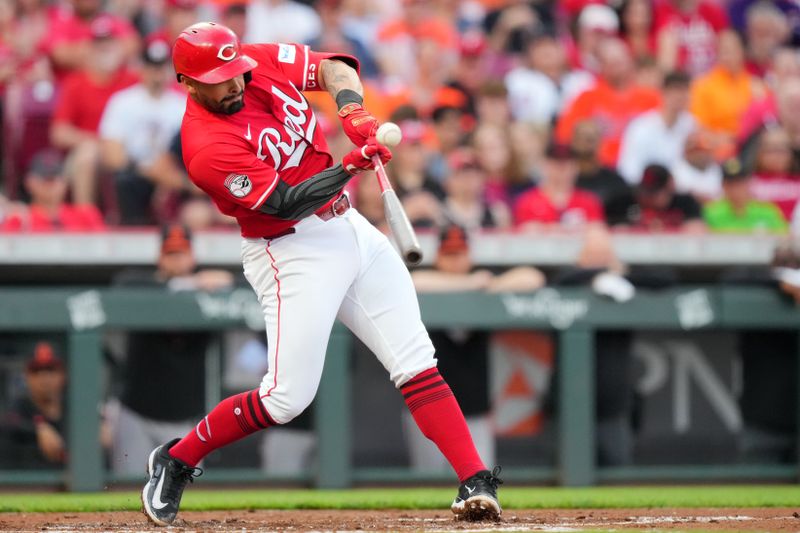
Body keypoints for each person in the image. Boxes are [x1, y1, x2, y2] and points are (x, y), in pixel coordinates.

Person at [140, 22, 502, 526]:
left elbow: (336, 67)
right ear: (189, 81)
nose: (235, 83)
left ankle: (475, 480)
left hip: (349, 226)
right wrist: (351, 165)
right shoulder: (206, 146)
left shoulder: (256, 61)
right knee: (286, 399)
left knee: (416, 360)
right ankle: (177, 459)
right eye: (220, 78)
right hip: (290, 249)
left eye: (235, 71)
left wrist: (353, 111)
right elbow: (285, 203)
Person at [407, 224, 544, 473]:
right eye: (449, 254)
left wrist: (486, 288)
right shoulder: (433, 281)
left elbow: (533, 278)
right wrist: (469, 284)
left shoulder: (484, 280)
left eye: (460, 253)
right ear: (438, 256)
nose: (455, 260)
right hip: (429, 407)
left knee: (478, 478)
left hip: (475, 408)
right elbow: (415, 281)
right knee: (426, 481)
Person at [110, 224, 233, 475]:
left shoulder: (206, 292)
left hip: (185, 418)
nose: (176, 260)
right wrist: (183, 284)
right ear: (159, 257)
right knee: (127, 489)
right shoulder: (143, 287)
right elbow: (120, 285)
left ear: (193, 257)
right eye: (170, 253)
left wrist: (225, 279)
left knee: (185, 494)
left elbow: (247, 285)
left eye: (181, 253)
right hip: (137, 414)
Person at [98, 37, 186, 225]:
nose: (157, 73)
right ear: (142, 68)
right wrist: (147, 170)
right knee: (125, 181)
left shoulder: (182, 105)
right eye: (152, 66)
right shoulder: (123, 102)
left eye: (161, 67)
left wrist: (165, 176)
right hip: (136, 172)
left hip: (171, 174)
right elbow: (112, 155)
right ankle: (132, 228)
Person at [617, 71, 695, 185]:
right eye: (676, 91)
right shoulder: (641, 127)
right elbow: (629, 170)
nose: (680, 97)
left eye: (685, 91)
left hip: (680, 190)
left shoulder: (691, 125)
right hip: (646, 188)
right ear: (663, 93)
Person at [0, 149, 105, 231]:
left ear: (65, 182)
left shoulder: (87, 216)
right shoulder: (20, 220)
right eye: (45, 178)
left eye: (55, 177)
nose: (50, 183)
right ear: (29, 182)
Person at [1, 342, 67, 469]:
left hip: (77, 487)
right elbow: (8, 423)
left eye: (51, 369)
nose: (44, 378)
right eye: (36, 370)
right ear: (26, 376)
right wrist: (37, 429)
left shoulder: (76, 408)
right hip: (30, 487)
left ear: (63, 374)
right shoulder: (19, 407)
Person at [514, 142, 605, 230]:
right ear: (544, 165)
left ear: (575, 167)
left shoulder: (588, 201)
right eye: (555, 164)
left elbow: (597, 230)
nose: (561, 170)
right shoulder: (527, 202)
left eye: (566, 164)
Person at [607, 163, 706, 232]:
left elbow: (697, 229)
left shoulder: (685, 203)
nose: (647, 197)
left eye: (654, 193)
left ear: (669, 188)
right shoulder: (624, 202)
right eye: (645, 191)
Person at [703, 158, 788, 233]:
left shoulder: (767, 210)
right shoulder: (710, 212)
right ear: (723, 186)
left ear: (749, 183)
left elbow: (782, 235)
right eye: (730, 184)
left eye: (740, 183)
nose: (736, 189)